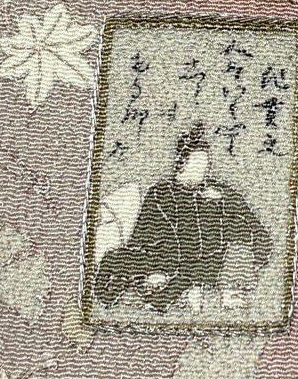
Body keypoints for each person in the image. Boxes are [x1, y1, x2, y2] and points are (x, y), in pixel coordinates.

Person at [93, 124, 272, 313]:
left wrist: (222, 204)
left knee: (191, 272)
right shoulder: (160, 194)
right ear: (181, 164)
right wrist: (151, 271)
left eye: (205, 165)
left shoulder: (222, 193)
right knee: (115, 259)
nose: (203, 171)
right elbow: (142, 238)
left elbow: (260, 237)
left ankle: (167, 295)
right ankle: (110, 297)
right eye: (198, 164)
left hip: (208, 263)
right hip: (163, 259)